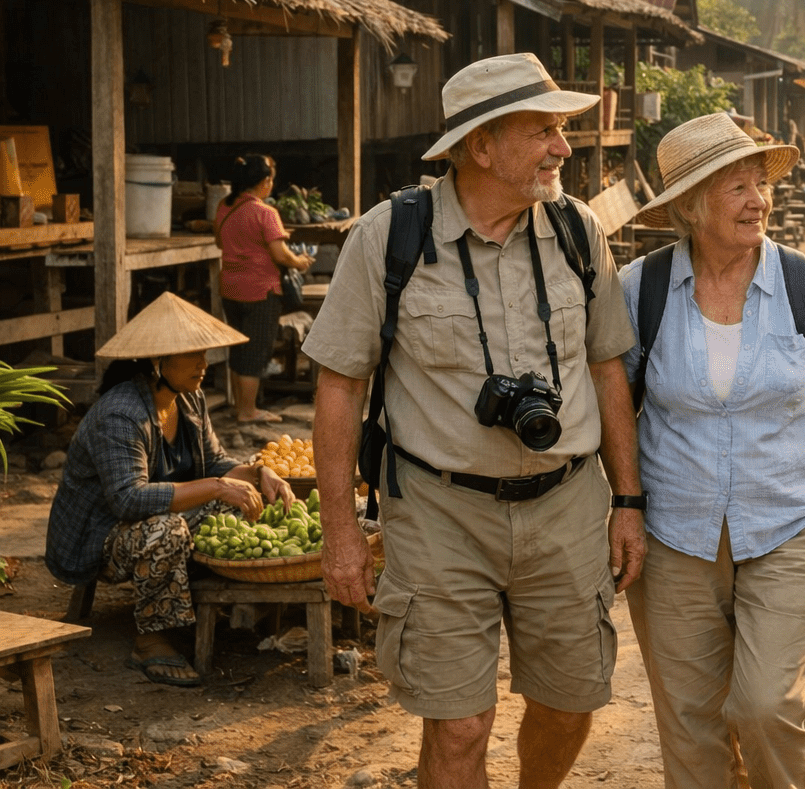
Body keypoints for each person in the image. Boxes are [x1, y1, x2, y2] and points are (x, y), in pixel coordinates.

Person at [303, 53, 645, 789]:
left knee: (569, 701)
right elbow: (339, 385)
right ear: (482, 146)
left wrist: (627, 500)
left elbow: (608, 367)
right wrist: (340, 532)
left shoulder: (579, 232)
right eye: (545, 131)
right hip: (438, 512)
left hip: (566, 507)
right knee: (458, 724)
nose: (564, 147)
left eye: (563, 130)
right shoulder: (388, 238)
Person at [620, 111, 805, 789]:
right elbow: (615, 411)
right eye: (735, 187)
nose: (757, 200)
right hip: (675, 537)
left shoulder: (803, 283)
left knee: (766, 705)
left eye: (758, 183)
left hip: (787, 525)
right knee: (691, 726)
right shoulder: (640, 290)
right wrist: (620, 508)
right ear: (689, 205)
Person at [46, 292, 295, 687]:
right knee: (168, 530)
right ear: (156, 362)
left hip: (149, 516)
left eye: (205, 353)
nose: (203, 364)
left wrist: (256, 473)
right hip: (98, 536)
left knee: (242, 502)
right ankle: (151, 640)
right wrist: (217, 487)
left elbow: (215, 461)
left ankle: (205, 603)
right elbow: (128, 500)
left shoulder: (190, 398)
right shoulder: (121, 414)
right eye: (193, 355)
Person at [213, 153, 313, 425]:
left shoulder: (224, 206)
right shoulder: (265, 213)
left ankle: (240, 407)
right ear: (265, 182)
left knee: (238, 349)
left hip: (230, 288)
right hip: (260, 290)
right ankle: (248, 411)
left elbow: (220, 242)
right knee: (256, 352)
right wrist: (301, 262)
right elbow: (281, 255)